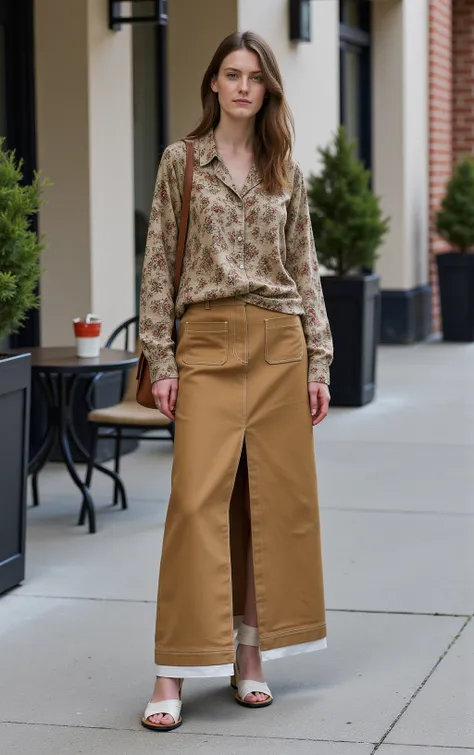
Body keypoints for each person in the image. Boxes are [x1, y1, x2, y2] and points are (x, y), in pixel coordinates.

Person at [139, 30, 333, 732]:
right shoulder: (180, 162)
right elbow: (159, 264)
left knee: (270, 505)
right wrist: (161, 359)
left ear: (267, 89)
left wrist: (319, 360)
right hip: (208, 344)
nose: (244, 86)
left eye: (255, 76)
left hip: (280, 345)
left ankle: (251, 653)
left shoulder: (284, 168)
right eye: (232, 73)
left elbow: (305, 267)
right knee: (194, 502)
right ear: (213, 84)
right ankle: (174, 664)